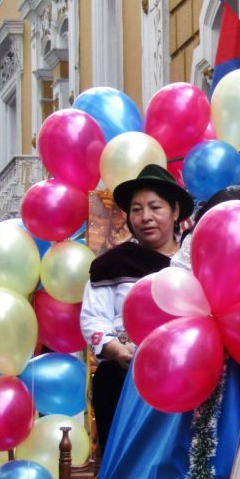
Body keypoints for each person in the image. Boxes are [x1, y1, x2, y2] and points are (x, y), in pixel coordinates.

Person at [79, 164, 194, 456]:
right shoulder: (112, 265)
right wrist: (118, 351)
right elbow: (93, 318)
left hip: (184, 377)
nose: (146, 217)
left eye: (155, 207)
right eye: (137, 209)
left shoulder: (195, 263)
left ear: (175, 211)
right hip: (123, 379)